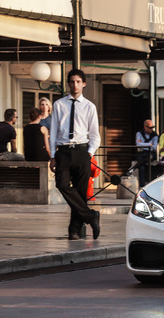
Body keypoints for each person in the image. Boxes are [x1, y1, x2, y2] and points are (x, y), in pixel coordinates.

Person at [49, 69, 101, 240]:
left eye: (78, 81)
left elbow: (95, 135)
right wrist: (52, 156)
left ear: (84, 84)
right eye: (72, 81)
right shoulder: (59, 104)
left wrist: (89, 153)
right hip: (63, 151)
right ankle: (90, 216)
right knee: (62, 184)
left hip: (81, 151)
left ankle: (74, 230)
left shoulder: (89, 107)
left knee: (80, 191)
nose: (75, 85)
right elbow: (54, 131)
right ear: (68, 84)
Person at [135, 119, 159, 187]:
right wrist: (149, 144)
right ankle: (142, 185)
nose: (152, 129)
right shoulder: (139, 133)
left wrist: (143, 144)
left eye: (152, 127)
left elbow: (154, 147)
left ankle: (134, 167)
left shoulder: (155, 135)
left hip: (151, 153)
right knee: (141, 167)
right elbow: (137, 144)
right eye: (150, 127)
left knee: (142, 161)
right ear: (145, 127)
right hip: (142, 153)